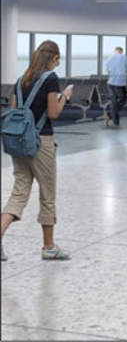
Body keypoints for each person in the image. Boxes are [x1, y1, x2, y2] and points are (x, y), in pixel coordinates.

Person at [1, 40, 73, 262]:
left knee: (19, 192)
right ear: (53, 58)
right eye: (57, 60)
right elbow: (53, 113)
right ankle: (49, 247)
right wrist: (64, 97)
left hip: (19, 142)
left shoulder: (21, 80)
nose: (57, 64)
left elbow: (14, 111)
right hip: (42, 142)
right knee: (47, 194)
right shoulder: (50, 79)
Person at [104, 46, 127, 127]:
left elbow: (107, 70)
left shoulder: (109, 58)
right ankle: (110, 115)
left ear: (115, 51)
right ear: (121, 51)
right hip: (120, 83)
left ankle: (115, 121)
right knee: (123, 100)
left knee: (114, 103)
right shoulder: (124, 57)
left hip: (110, 83)